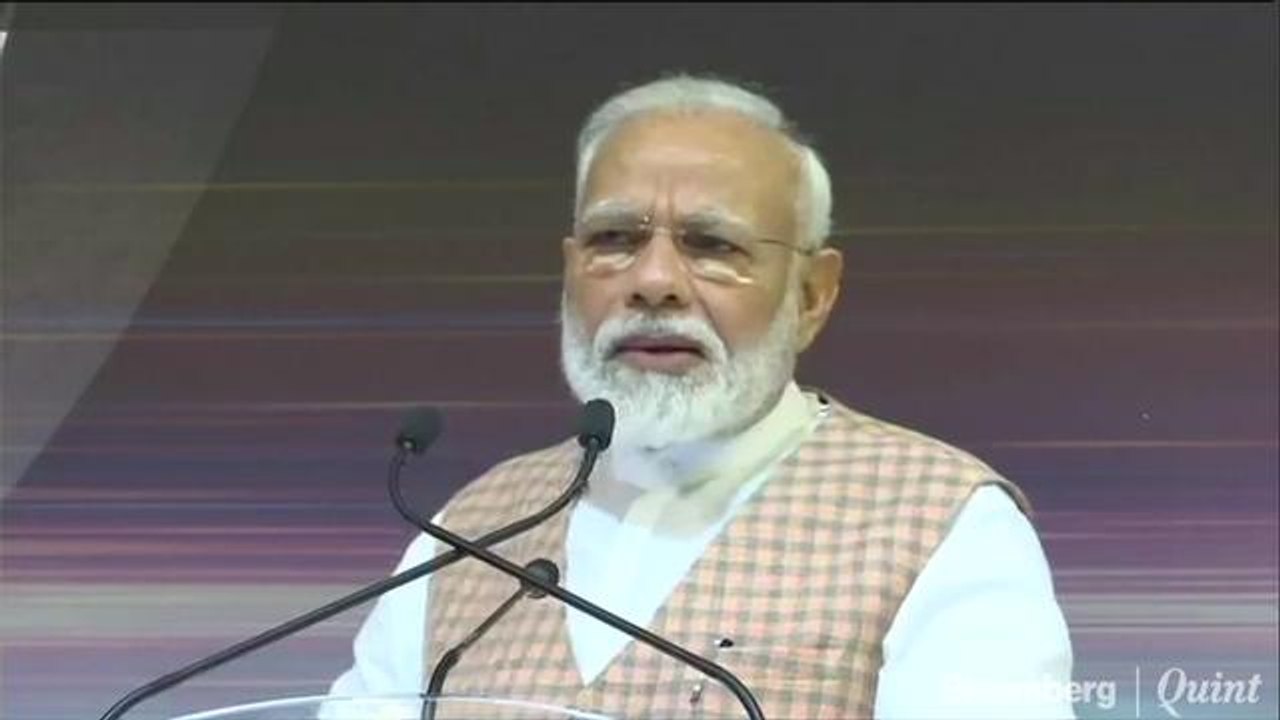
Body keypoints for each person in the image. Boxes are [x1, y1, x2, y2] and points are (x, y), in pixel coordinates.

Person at [327, 74, 1074, 719]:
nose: (653, 281)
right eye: (615, 237)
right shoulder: (471, 528)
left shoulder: (940, 521)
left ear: (813, 295)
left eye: (712, 246)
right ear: (569, 268)